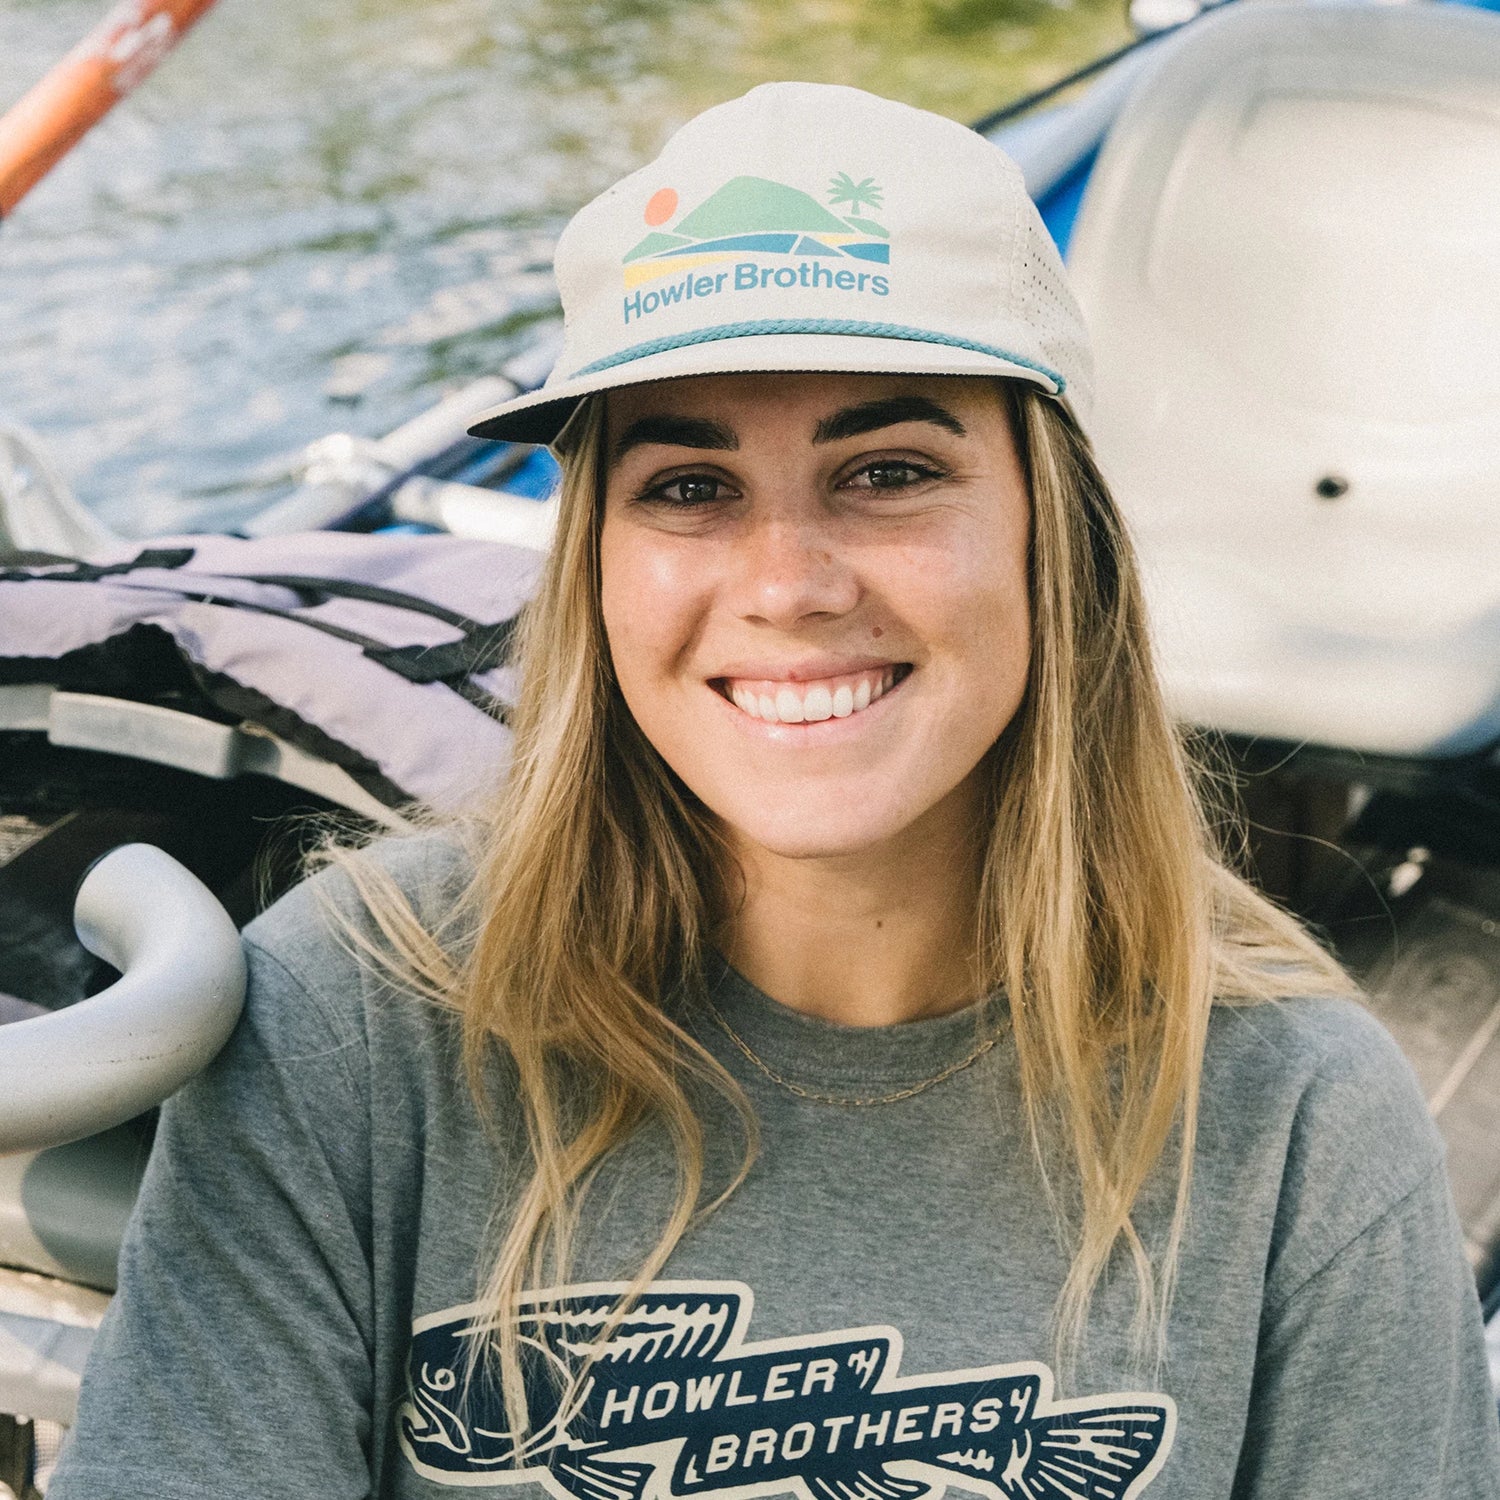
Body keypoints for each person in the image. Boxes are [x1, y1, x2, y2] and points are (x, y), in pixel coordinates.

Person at [48, 82, 1500, 1500]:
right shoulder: (348, 1025)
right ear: (596, 566)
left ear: (1052, 537)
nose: (790, 586)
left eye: (886, 470)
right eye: (687, 486)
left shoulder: (1295, 1120)